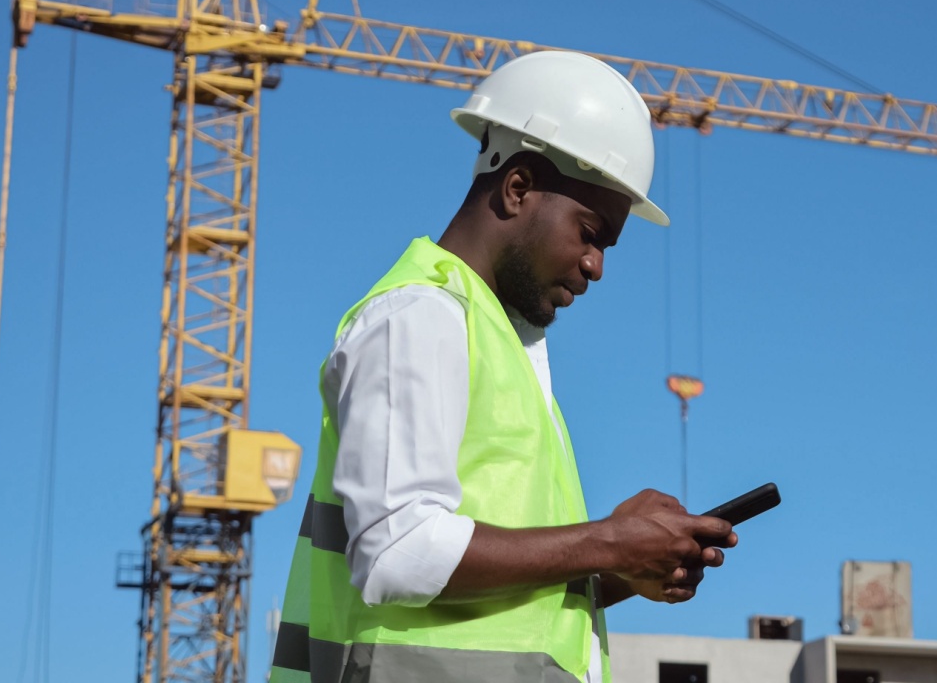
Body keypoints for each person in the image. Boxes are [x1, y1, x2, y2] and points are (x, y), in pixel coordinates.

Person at [269, 51, 737, 683]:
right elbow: (396, 553)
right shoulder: (417, 316)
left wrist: (617, 570)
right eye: (591, 232)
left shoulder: (501, 344)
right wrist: (610, 541)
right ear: (518, 187)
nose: (596, 266)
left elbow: (496, 602)